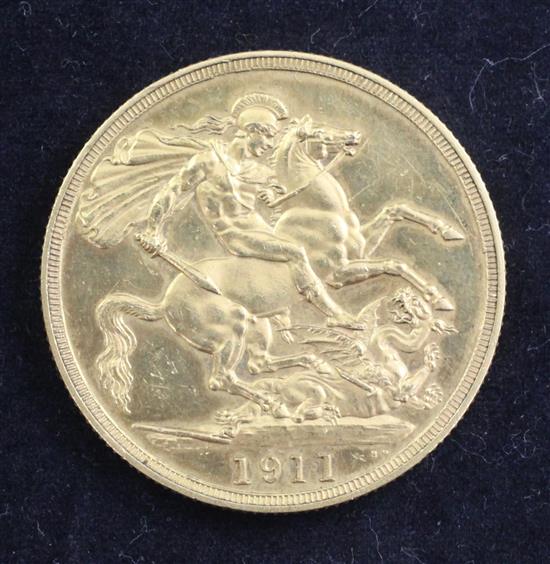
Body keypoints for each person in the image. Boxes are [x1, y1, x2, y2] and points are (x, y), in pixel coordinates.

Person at [139, 93, 362, 330]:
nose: (269, 144)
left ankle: (280, 307)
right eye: (268, 135)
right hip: (235, 235)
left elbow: (280, 194)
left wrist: (274, 196)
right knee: (295, 252)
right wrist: (153, 229)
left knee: (307, 250)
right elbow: (172, 192)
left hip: (260, 229)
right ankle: (333, 313)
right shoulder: (209, 161)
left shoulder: (258, 171)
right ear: (252, 130)